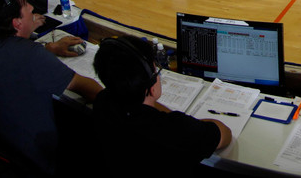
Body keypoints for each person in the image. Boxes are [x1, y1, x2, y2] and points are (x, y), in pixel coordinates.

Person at [0, 0, 101, 173]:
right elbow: (84, 87)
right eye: (26, 6)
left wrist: (47, 46)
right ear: (16, 23)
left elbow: (16, 52)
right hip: (33, 159)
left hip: (1, 146)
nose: (31, 8)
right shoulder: (32, 56)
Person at [91, 36, 231, 172]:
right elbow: (224, 134)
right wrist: (186, 123)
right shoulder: (175, 131)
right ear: (151, 88)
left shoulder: (102, 102)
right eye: (156, 71)